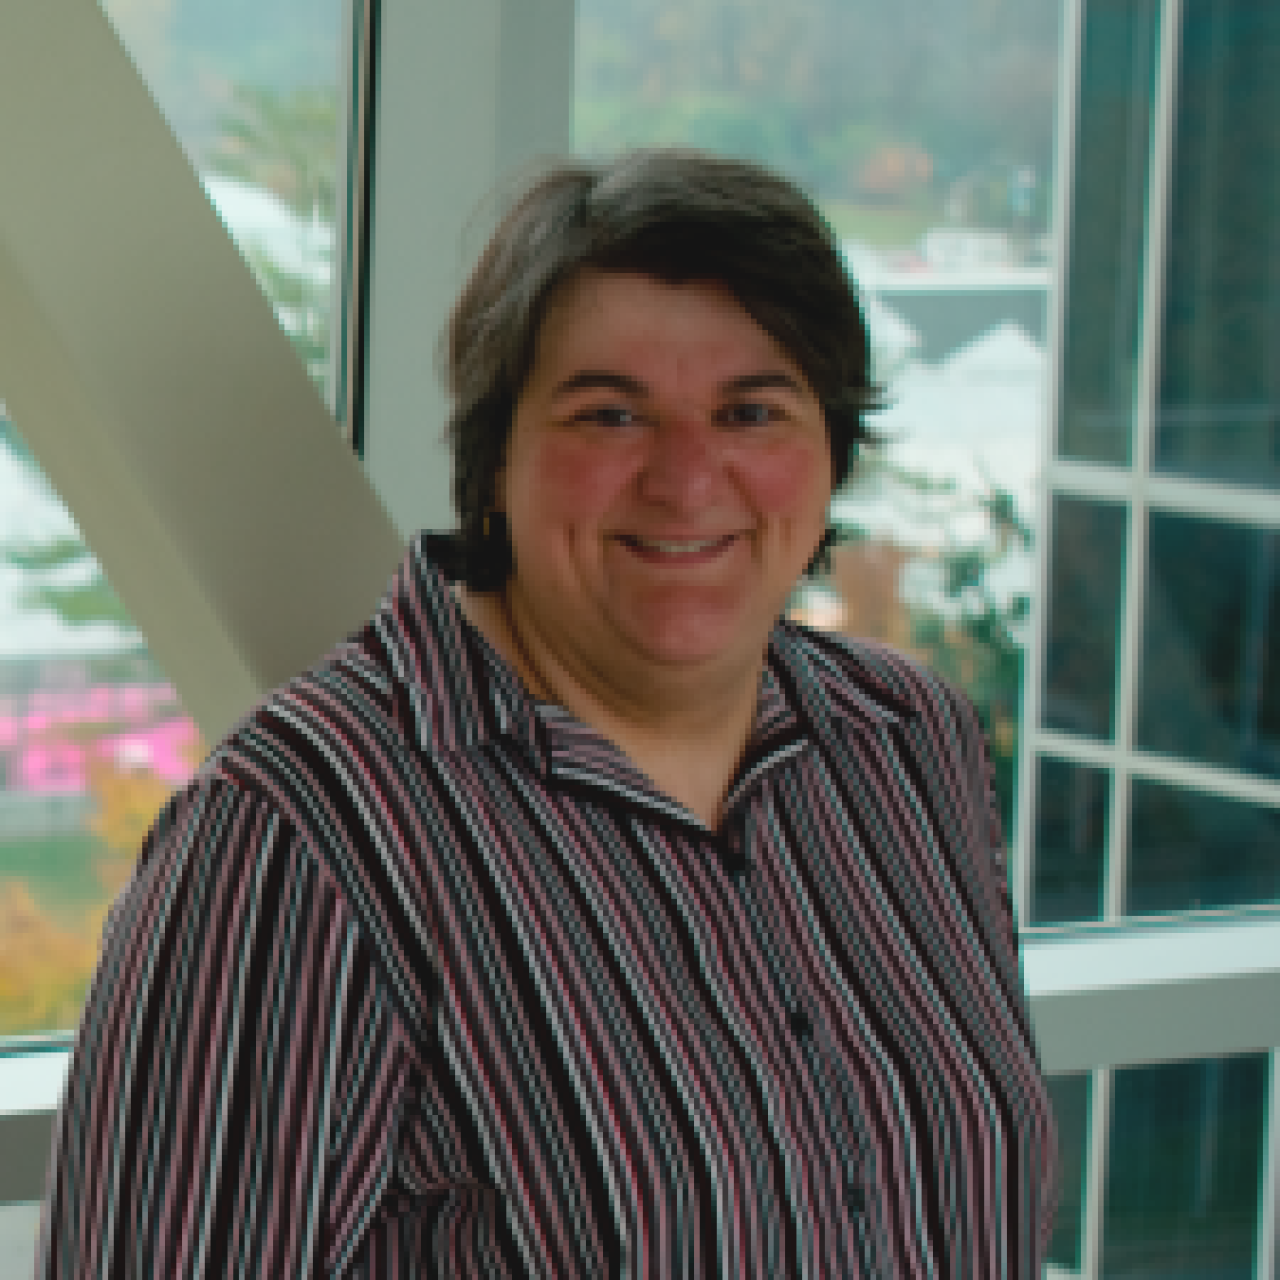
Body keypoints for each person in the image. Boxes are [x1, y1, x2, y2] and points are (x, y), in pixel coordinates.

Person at [38, 150, 1056, 1277]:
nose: (684, 477)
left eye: (750, 410)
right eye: (610, 414)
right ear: (494, 461)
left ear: (829, 451)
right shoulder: (296, 833)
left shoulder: (906, 742)